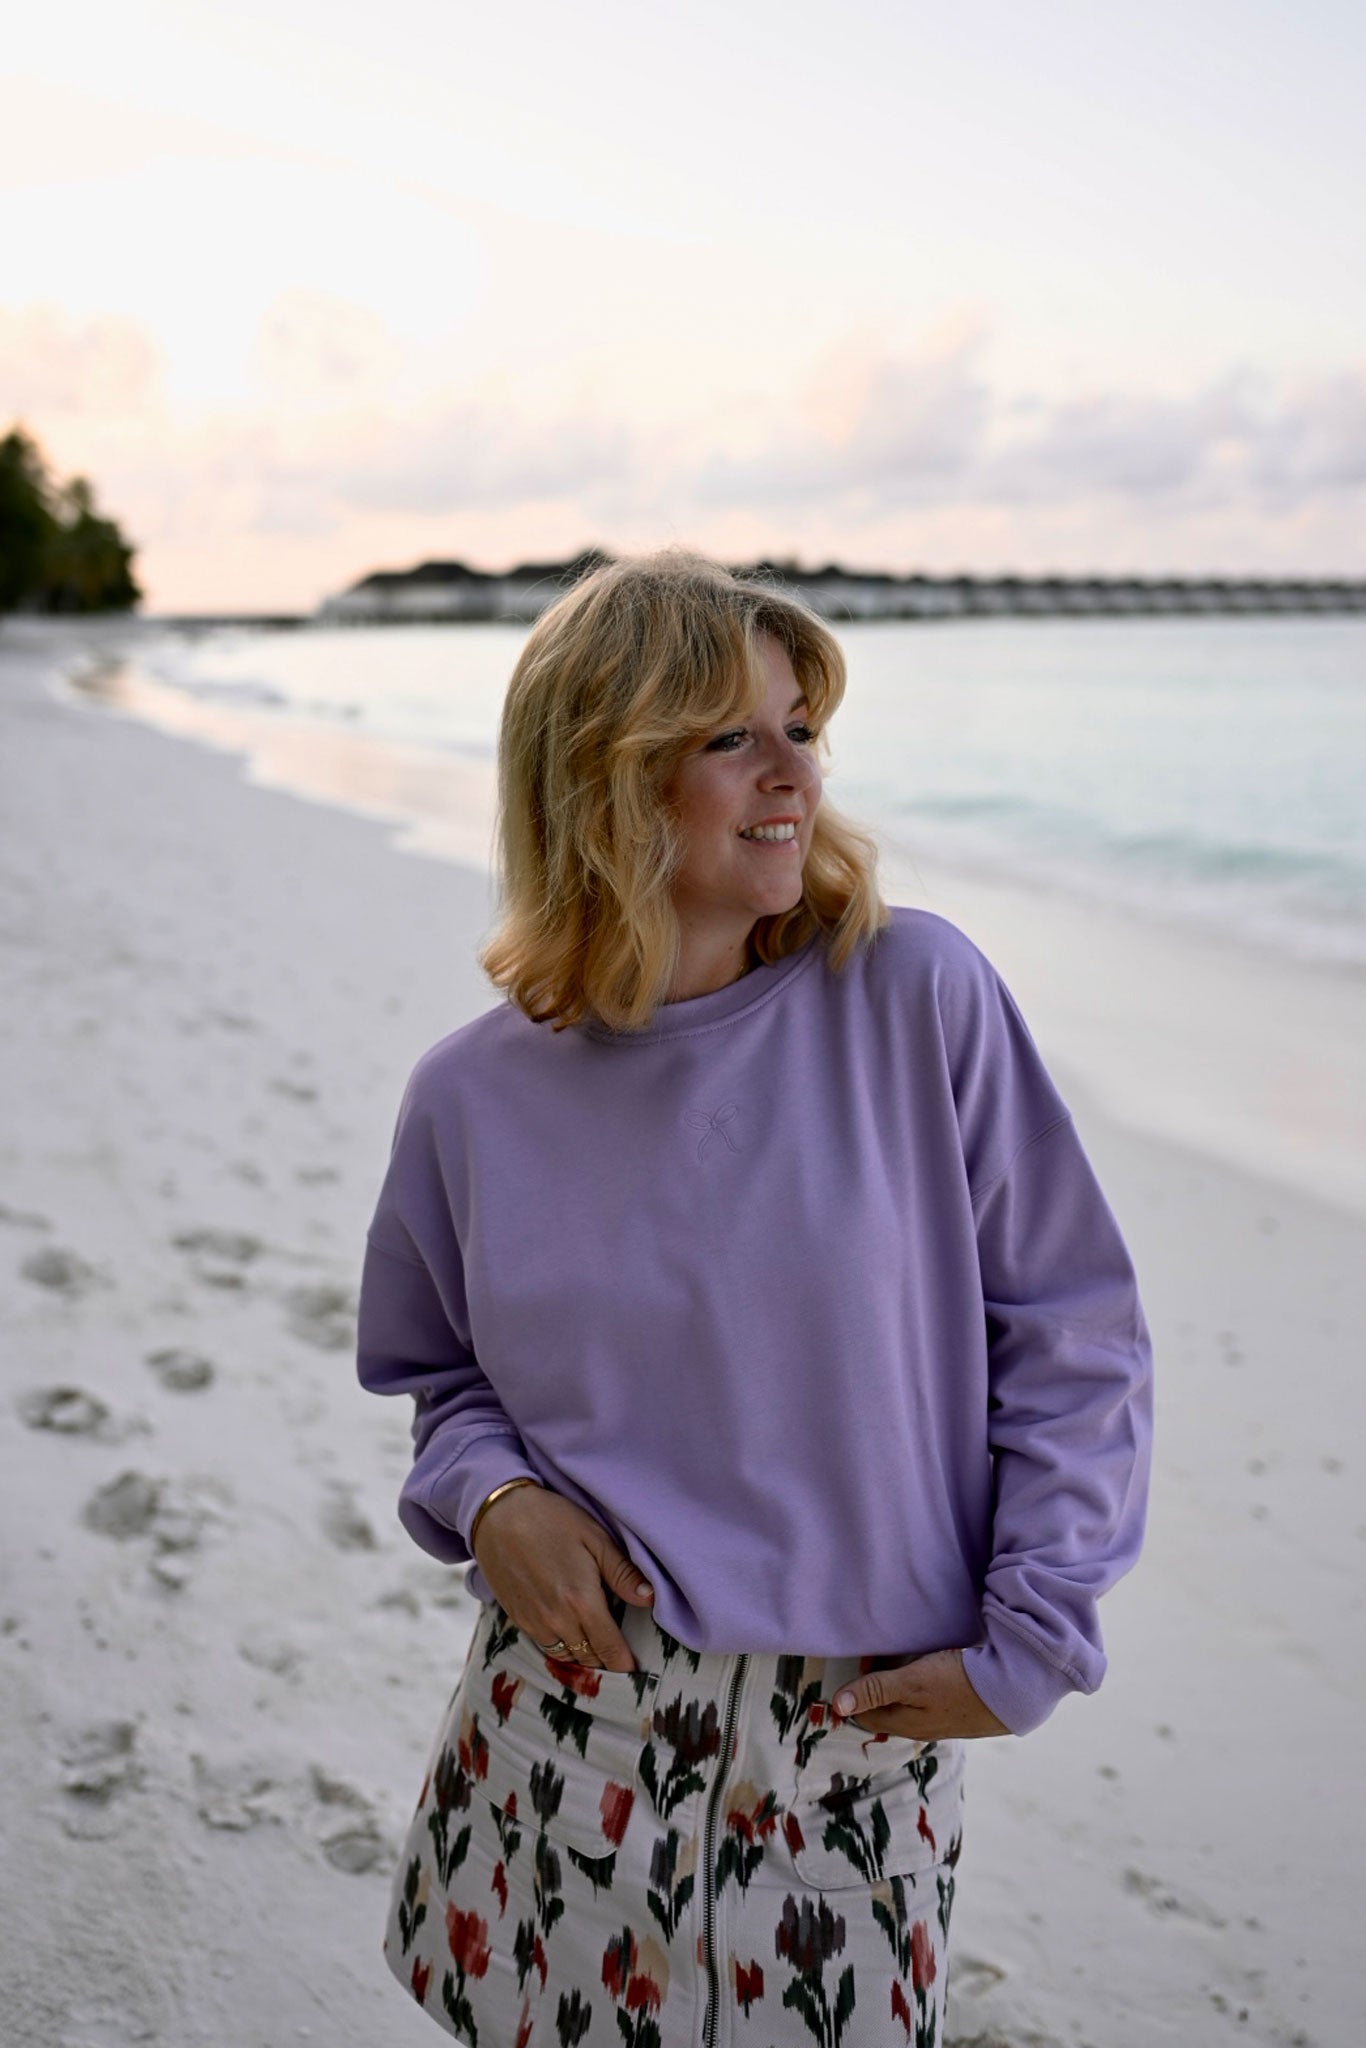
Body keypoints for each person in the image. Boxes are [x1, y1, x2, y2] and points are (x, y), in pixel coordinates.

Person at [355, 547, 1153, 2048]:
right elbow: (443, 1379)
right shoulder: (468, 1097)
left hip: (845, 1741)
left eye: (803, 727)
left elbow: (1072, 1333)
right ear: (603, 775)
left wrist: (1035, 1635)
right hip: (564, 1724)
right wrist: (492, 1501)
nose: (794, 773)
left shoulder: (917, 997)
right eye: (732, 737)